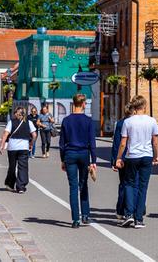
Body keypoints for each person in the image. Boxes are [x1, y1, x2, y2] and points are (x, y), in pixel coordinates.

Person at [115, 95, 158, 229]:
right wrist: (156, 156)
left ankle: (128, 214)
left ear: (134, 107)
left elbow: (123, 142)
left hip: (132, 155)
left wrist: (118, 157)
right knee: (142, 187)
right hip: (146, 156)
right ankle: (139, 219)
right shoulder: (151, 121)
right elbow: (155, 141)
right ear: (144, 106)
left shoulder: (128, 122)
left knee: (129, 184)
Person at [59, 94, 97, 228]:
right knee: (84, 184)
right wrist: (94, 160)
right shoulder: (88, 121)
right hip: (84, 154)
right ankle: (85, 215)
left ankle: (75, 219)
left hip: (70, 154)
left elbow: (62, 142)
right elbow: (92, 142)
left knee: (73, 187)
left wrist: (62, 159)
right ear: (84, 104)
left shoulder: (66, 120)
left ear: (73, 103)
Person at [0, 107, 37, 193]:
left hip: (12, 148)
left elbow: (5, 134)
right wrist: (31, 144)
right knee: (23, 167)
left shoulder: (11, 122)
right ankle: (21, 186)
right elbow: (34, 135)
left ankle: (10, 184)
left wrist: (2, 145)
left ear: (16, 113)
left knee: (12, 166)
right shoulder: (29, 122)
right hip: (24, 147)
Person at [111, 101, 134, 221]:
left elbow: (116, 143)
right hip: (134, 157)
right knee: (133, 184)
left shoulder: (120, 123)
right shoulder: (136, 122)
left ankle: (120, 210)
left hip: (123, 157)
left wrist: (114, 160)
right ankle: (131, 209)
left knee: (123, 184)